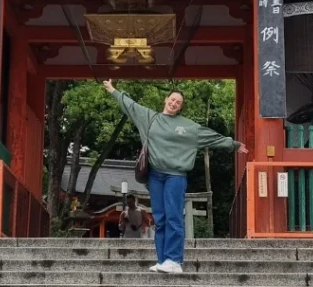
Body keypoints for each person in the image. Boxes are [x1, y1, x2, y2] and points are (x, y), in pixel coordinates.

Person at [103, 80, 248, 274]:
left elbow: (211, 137)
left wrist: (234, 145)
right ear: (166, 99)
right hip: (155, 175)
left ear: (180, 107)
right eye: (172, 99)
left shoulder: (188, 126)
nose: (174, 103)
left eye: (178, 102)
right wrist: (113, 90)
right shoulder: (150, 118)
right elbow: (130, 106)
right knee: (160, 219)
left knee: (173, 217)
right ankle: (163, 260)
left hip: (176, 176)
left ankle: (175, 260)